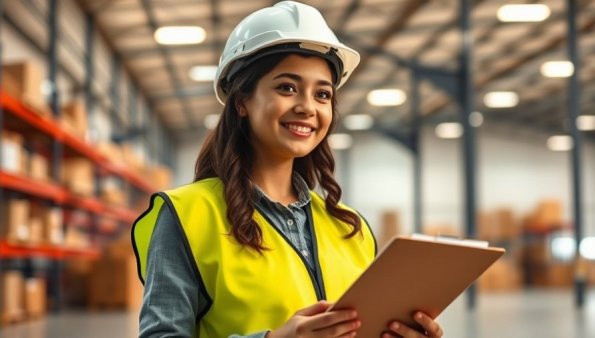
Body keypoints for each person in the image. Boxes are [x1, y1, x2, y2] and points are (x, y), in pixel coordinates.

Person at [132, 1, 444, 337]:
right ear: (242, 101)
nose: (307, 107)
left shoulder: (351, 228)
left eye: (322, 94)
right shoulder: (187, 216)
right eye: (287, 87)